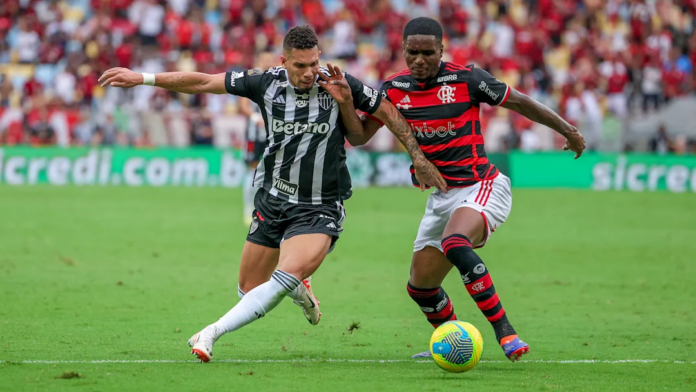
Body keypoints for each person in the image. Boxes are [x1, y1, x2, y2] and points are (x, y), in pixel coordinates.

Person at [98, 25, 445, 362]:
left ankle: (211, 333)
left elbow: (387, 112)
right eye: (300, 66)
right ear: (283, 61)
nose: (310, 73)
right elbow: (203, 81)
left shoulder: (338, 82)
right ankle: (300, 288)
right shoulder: (264, 82)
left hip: (318, 207)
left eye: (314, 63)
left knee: (278, 281)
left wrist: (418, 157)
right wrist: (142, 77)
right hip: (273, 199)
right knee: (248, 292)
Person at [342, 17, 586, 361]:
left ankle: (506, 333)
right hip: (442, 197)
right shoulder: (393, 90)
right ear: (403, 51)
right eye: (413, 53)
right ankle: (456, 338)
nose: (419, 60)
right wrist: (342, 102)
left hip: (481, 185)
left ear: (442, 50)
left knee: (454, 243)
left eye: (428, 53)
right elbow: (359, 137)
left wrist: (568, 129)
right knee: (421, 287)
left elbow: (519, 102)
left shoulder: (467, 79)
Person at [238, 52, 276, 226]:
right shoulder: (252, 79)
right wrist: (255, 118)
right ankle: (248, 210)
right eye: (265, 60)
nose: (269, 63)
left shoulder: (278, 79)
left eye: (271, 60)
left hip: (274, 134)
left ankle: (270, 210)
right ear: (259, 61)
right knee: (252, 171)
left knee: (275, 172)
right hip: (255, 134)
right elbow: (243, 106)